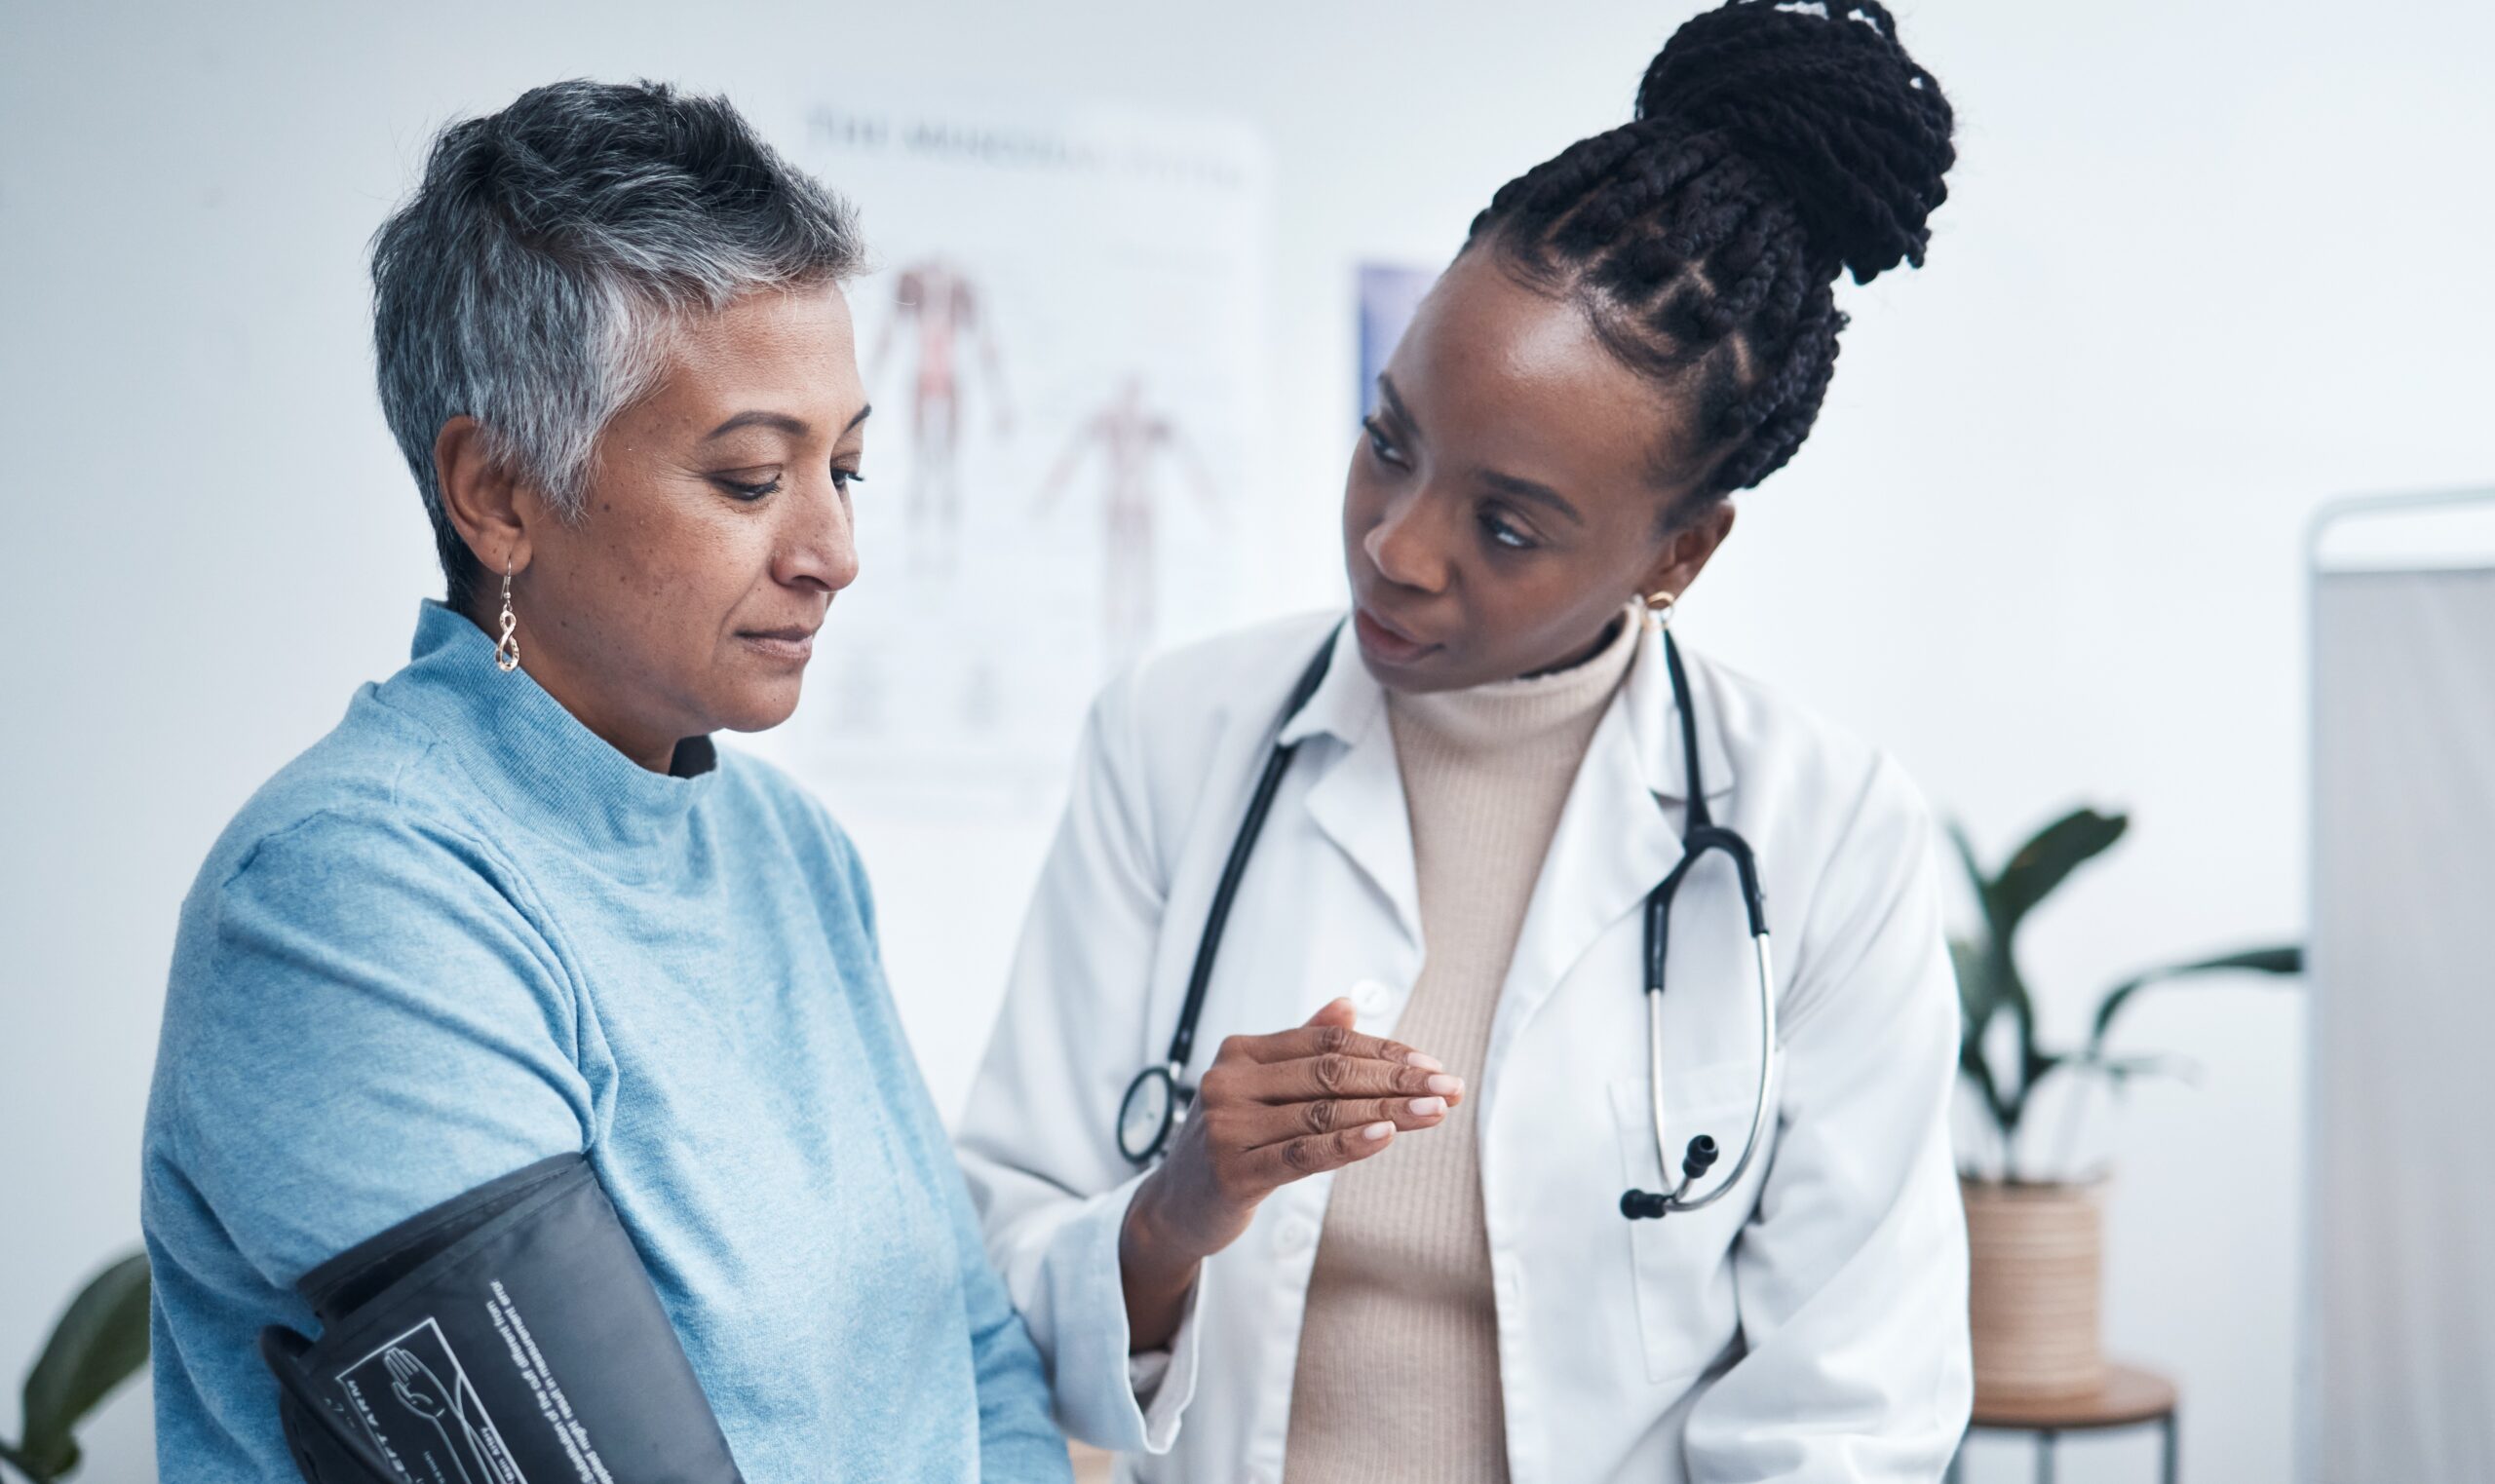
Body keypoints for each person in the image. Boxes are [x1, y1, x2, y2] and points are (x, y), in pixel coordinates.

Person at [957, 4, 1970, 1480]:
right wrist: (1177, 1210)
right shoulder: (1175, 742)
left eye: (1505, 525)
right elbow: (997, 1277)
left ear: (1679, 551)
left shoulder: (1827, 835)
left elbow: (1849, 1413)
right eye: (1387, 441)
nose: (1397, 548)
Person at [140, 79, 1068, 1483]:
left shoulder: (789, 853)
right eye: (754, 479)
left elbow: (967, 1356)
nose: (833, 549)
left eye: (850, 468)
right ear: (499, 496)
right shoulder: (348, 895)